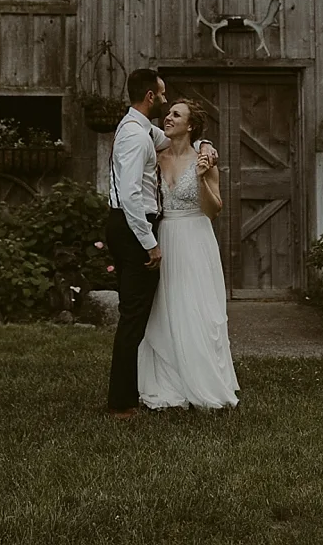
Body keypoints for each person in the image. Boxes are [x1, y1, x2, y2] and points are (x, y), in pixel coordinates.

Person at [103, 69, 217, 418]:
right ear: (150, 97)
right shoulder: (136, 138)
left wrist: (205, 143)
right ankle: (122, 403)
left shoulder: (136, 128)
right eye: (163, 96)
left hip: (124, 225)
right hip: (133, 227)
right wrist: (149, 243)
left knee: (135, 313)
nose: (166, 103)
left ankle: (130, 390)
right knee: (134, 316)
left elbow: (171, 140)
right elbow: (131, 196)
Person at [138, 99, 239, 410]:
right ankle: (169, 382)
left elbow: (213, 210)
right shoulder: (157, 156)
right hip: (166, 236)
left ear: (190, 126)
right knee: (167, 309)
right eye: (168, 113)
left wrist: (200, 176)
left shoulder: (205, 159)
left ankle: (202, 381)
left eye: (175, 115)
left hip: (195, 237)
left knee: (197, 308)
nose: (168, 117)